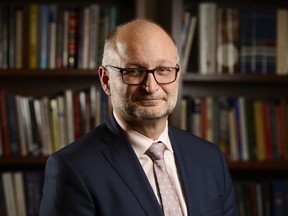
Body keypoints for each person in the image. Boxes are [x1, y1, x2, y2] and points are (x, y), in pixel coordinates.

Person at [39, 19, 239, 216]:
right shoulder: (73, 168)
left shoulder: (210, 159)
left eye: (163, 70)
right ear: (106, 80)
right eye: (134, 71)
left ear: (177, 75)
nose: (151, 87)